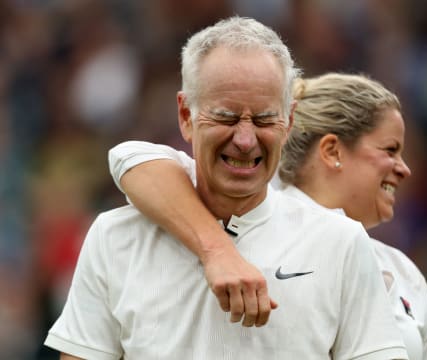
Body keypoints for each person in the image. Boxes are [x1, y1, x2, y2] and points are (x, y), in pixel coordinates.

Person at [44, 17, 408, 359]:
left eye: (264, 119)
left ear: (289, 120)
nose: (246, 140)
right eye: (225, 117)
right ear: (186, 116)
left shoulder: (341, 243)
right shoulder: (115, 238)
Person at [108, 73, 427, 360]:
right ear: (332, 151)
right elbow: (131, 157)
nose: (404, 168)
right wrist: (217, 251)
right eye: (390, 150)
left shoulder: (407, 275)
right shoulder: (247, 221)